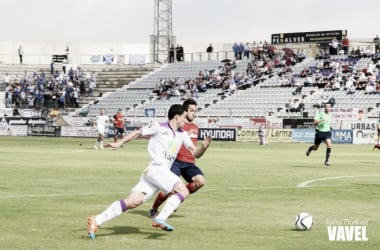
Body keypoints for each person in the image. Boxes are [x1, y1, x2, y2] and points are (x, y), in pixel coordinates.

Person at [87, 104, 197, 239]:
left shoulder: (182, 134)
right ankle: (161, 218)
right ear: (176, 117)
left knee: (133, 202)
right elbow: (138, 132)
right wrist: (119, 142)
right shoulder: (159, 126)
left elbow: (194, 152)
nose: (185, 120)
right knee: (183, 191)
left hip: (156, 173)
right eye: (184, 117)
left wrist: (203, 147)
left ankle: (96, 220)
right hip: (156, 169)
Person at [148, 99, 212, 217]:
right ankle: (154, 208)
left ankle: (177, 196)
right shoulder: (176, 125)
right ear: (185, 112)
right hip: (175, 162)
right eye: (191, 111)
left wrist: (203, 147)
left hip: (189, 163)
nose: (194, 113)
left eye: (195, 111)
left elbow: (195, 152)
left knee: (201, 181)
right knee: (168, 190)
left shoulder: (196, 127)